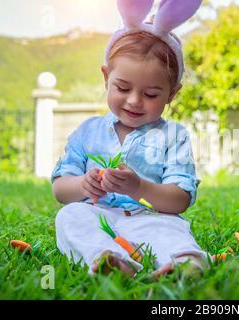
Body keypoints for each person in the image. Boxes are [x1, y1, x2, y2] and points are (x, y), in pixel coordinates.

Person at [51, 0, 208, 279]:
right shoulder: (87, 131)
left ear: (172, 93)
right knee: (69, 218)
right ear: (106, 78)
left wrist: (139, 187)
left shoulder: (173, 136)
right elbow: (61, 191)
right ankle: (107, 259)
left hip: (151, 218)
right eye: (122, 88)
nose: (134, 101)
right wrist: (83, 185)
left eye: (151, 94)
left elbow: (180, 200)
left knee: (172, 229)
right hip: (97, 215)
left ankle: (186, 264)